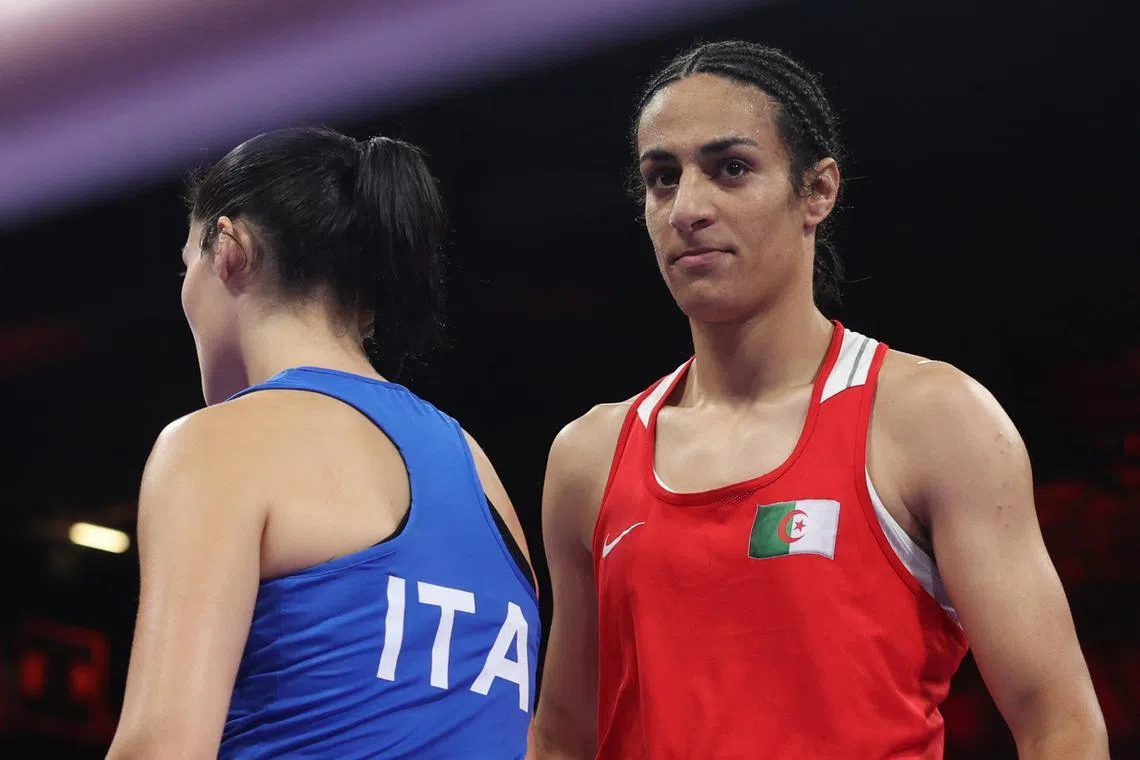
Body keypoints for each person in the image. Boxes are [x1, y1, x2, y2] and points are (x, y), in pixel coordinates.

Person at [533, 41, 1108, 759]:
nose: (687, 209)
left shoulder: (930, 419)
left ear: (818, 191)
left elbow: (1060, 724)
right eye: (662, 178)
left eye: (731, 168)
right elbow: (561, 740)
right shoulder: (588, 457)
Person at [106, 127, 539, 759]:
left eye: (186, 265)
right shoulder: (481, 472)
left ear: (229, 249)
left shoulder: (218, 446)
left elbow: (161, 747)